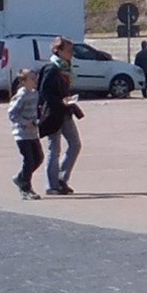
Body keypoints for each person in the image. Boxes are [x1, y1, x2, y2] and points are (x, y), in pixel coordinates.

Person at [38, 36, 84, 196]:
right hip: (53, 114)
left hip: (65, 112)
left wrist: (68, 100)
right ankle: (52, 185)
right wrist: (60, 100)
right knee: (54, 148)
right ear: (59, 50)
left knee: (75, 144)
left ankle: (61, 179)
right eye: (69, 50)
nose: (72, 53)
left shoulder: (65, 68)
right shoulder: (52, 68)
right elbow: (43, 92)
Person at [7, 67, 44, 200]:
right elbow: (12, 114)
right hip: (21, 134)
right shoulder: (21, 95)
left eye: (35, 78)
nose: (35, 80)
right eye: (32, 78)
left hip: (33, 133)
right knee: (28, 160)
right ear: (23, 81)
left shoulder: (35, 93)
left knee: (39, 158)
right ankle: (26, 188)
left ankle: (20, 178)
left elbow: (37, 111)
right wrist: (24, 122)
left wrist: (37, 120)